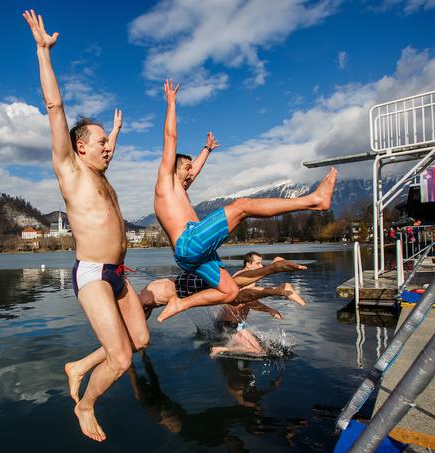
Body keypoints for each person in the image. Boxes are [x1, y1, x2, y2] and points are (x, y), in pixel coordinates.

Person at [23, 10, 148, 442]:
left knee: (141, 340)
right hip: (94, 273)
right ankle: (85, 404)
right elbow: (55, 108)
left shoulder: (101, 176)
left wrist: (113, 131)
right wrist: (43, 52)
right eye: (102, 144)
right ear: (80, 147)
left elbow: (107, 146)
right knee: (121, 360)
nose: (109, 149)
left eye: (110, 145)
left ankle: (77, 365)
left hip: (118, 274)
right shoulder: (70, 171)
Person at [154, 80, 337, 322]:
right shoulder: (165, 183)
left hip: (193, 252)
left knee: (230, 291)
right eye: (187, 168)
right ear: (175, 169)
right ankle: (313, 200)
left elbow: (194, 170)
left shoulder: (180, 189)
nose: (192, 172)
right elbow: (170, 137)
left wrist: (207, 149)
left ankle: (181, 303)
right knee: (241, 206)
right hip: (189, 241)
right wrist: (171, 103)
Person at [138, 257, 307, 317]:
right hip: (185, 280)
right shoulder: (147, 290)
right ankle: (273, 274)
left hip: (184, 288)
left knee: (234, 295)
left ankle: (275, 282)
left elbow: (140, 317)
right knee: (233, 289)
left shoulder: (142, 302)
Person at [210, 253, 307, 357]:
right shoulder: (245, 280)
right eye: (258, 263)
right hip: (228, 324)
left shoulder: (243, 276)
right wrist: (269, 310)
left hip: (236, 324)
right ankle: (220, 349)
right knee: (258, 351)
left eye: (261, 263)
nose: (261, 266)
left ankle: (277, 276)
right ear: (248, 264)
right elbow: (249, 301)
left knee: (259, 348)